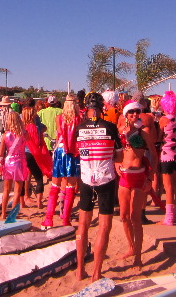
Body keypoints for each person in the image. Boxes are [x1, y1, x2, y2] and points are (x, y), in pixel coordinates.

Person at [75, 92, 123, 282]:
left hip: (86, 178)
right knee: (104, 226)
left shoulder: (79, 128)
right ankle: (96, 273)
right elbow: (119, 156)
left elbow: (78, 152)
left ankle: (80, 270)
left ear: (86, 107)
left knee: (82, 225)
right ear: (102, 106)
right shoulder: (110, 127)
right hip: (106, 177)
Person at [117, 101, 151, 268]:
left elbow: (154, 154)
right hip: (124, 175)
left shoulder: (144, 132)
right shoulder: (120, 131)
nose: (135, 115)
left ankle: (138, 256)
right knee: (124, 216)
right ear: (126, 114)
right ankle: (131, 247)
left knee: (135, 217)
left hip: (138, 175)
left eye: (137, 112)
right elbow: (117, 152)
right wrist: (116, 163)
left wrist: (150, 178)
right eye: (131, 112)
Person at [41, 95, 81, 229]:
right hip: (73, 153)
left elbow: (59, 134)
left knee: (55, 185)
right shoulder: (80, 119)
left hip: (60, 151)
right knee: (70, 187)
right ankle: (66, 220)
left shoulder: (59, 118)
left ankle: (49, 219)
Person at [158, 90, 176, 226]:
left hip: (166, 154)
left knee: (168, 187)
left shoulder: (163, 120)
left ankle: (169, 218)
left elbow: (158, 136)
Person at [21, 106, 51, 208]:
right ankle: (39, 202)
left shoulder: (22, 127)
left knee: (24, 177)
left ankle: (23, 201)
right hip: (33, 153)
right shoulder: (36, 127)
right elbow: (43, 131)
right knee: (38, 177)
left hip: (24, 154)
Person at [0, 111, 27, 219]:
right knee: (17, 190)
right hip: (19, 161)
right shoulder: (24, 133)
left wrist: (1, 164)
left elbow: (1, 152)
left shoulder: (5, 135)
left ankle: (3, 213)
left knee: (6, 189)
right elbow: (30, 143)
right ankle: (13, 214)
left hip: (8, 161)